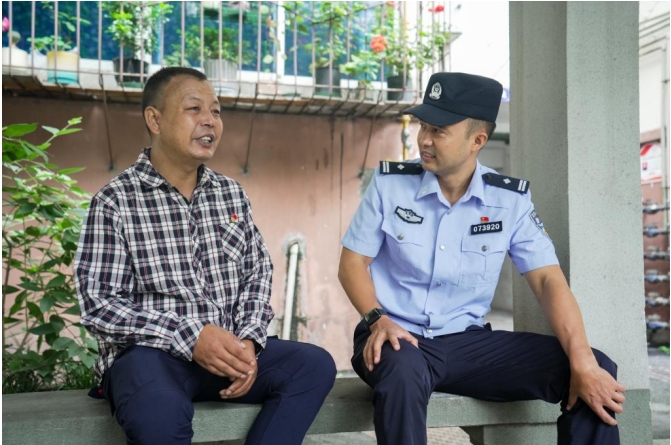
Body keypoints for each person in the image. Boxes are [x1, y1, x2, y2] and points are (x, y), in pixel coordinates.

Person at [338, 72, 625, 445]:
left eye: (438, 130)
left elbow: (547, 280)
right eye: (423, 126)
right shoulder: (390, 185)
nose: (424, 139)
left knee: (595, 368)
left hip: (465, 344)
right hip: (395, 336)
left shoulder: (508, 200)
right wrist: (378, 319)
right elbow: (352, 264)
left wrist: (581, 359)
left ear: (477, 141)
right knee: (402, 372)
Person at [75, 67, 336, 445]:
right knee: (157, 411)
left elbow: (257, 272)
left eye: (216, 111)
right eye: (194, 108)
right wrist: (191, 336)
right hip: (154, 358)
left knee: (312, 366)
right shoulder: (116, 201)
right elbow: (100, 305)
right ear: (155, 120)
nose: (210, 120)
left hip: (229, 357)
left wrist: (248, 343)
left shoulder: (230, 194)